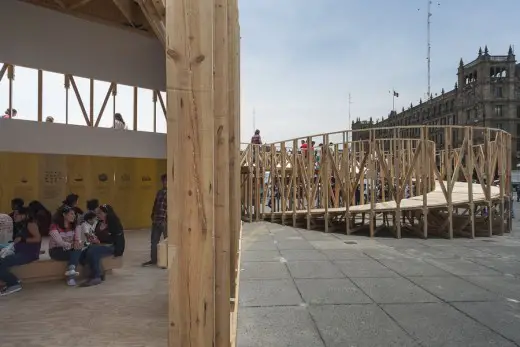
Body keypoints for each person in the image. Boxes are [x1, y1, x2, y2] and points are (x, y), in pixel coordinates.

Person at [0, 207, 41, 296]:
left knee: (2, 262)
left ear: (24, 215)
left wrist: (23, 239)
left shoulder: (31, 224)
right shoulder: (22, 224)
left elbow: (37, 239)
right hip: (19, 250)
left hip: (28, 254)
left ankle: (13, 283)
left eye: (16, 214)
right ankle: (11, 279)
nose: (14, 216)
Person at [81, 204, 125, 287]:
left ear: (106, 214)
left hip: (111, 246)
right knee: (84, 252)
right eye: (97, 213)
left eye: (100, 213)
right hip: (100, 244)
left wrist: (99, 241)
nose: (97, 215)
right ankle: (97, 273)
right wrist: (93, 238)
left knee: (93, 251)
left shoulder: (114, 224)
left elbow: (117, 239)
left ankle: (96, 276)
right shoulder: (99, 223)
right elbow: (96, 235)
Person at [48, 205, 83, 286]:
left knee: (77, 249)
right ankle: (71, 277)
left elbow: (78, 238)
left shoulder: (76, 225)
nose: (74, 216)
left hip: (71, 249)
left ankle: (71, 272)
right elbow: (60, 242)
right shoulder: (54, 226)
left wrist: (77, 242)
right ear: (64, 214)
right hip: (56, 250)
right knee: (76, 252)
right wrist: (72, 245)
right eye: (71, 214)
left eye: (74, 214)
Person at [142, 174, 167, 267]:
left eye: (167, 181)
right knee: (154, 241)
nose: (165, 183)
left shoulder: (173, 192)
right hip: (156, 220)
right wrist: (152, 216)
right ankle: (153, 260)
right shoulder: (159, 192)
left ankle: (166, 260)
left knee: (167, 240)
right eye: (164, 181)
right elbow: (155, 204)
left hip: (165, 222)